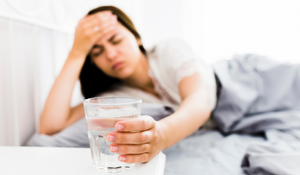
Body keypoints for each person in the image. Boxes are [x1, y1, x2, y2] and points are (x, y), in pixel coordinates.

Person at [39, 6, 217, 164]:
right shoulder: (113, 97)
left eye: (116, 40)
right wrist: (77, 53)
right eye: (97, 52)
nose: (110, 54)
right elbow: (50, 127)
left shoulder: (170, 51)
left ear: (137, 37)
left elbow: (199, 101)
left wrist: (162, 136)